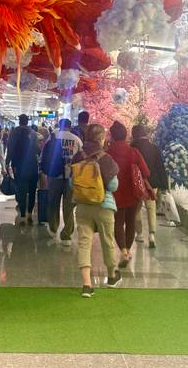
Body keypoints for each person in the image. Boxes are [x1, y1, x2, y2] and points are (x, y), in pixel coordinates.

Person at [71, 122, 121, 296]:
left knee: (84, 243)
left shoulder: (78, 157)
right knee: (108, 241)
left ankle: (86, 284)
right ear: (101, 138)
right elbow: (114, 186)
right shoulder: (106, 159)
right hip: (103, 205)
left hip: (83, 205)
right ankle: (112, 276)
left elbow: (72, 182)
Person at [106, 120, 150, 268]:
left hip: (115, 194)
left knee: (117, 223)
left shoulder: (108, 153)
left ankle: (123, 250)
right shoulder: (133, 152)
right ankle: (128, 251)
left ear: (111, 136)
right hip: (133, 194)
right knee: (130, 222)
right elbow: (146, 172)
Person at [39, 117, 82, 242]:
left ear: (60, 125)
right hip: (71, 177)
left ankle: (53, 229)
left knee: (53, 203)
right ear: (70, 126)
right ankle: (67, 235)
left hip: (54, 176)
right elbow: (82, 158)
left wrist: (43, 172)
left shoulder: (52, 137)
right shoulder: (76, 140)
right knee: (69, 207)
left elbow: (43, 156)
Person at [131, 123, 168, 249]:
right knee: (151, 208)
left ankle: (139, 233)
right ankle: (152, 234)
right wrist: (164, 184)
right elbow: (160, 167)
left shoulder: (132, 147)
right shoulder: (154, 148)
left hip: (136, 183)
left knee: (136, 208)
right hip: (152, 182)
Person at [6, 114, 40, 225]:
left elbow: (10, 148)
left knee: (21, 190)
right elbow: (37, 149)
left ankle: (22, 216)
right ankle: (30, 214)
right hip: (32, 165)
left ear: (19, 121)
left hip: (18, 165)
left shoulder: (14, 132)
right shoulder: (33, 133)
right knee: (32, 190)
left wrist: (7, 163)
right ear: (27, 122)